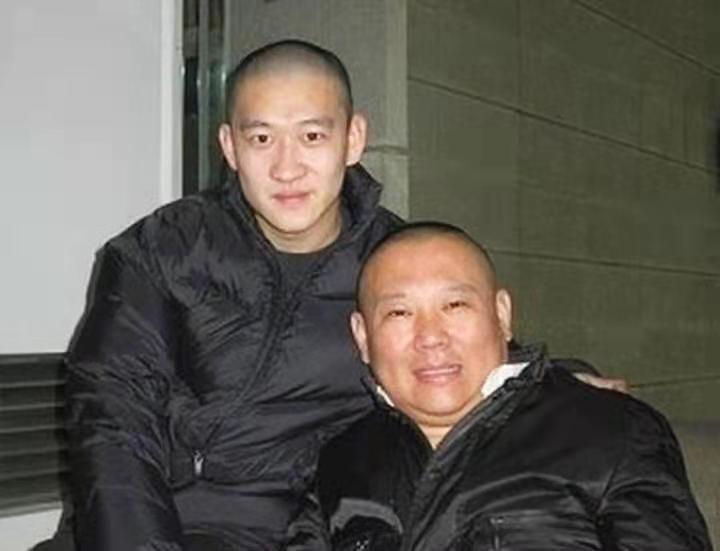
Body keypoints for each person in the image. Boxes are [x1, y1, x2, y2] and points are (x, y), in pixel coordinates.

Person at [42, 40, 620, 551]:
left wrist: (555, 381)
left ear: (353, 139)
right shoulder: (160, 250)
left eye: (312, 136)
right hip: (146, 520)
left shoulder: (395, 260)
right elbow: (110, 421)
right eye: (261, 138)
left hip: (303, 529)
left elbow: (460, 352)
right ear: (229, 147)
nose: (287, 167)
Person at [286, 222, 712, 550]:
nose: (430, 337)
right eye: (399, 313)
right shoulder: (340, 463)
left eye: (455, 305)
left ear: (502, 316)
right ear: (362, 337)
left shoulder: (612, 433)